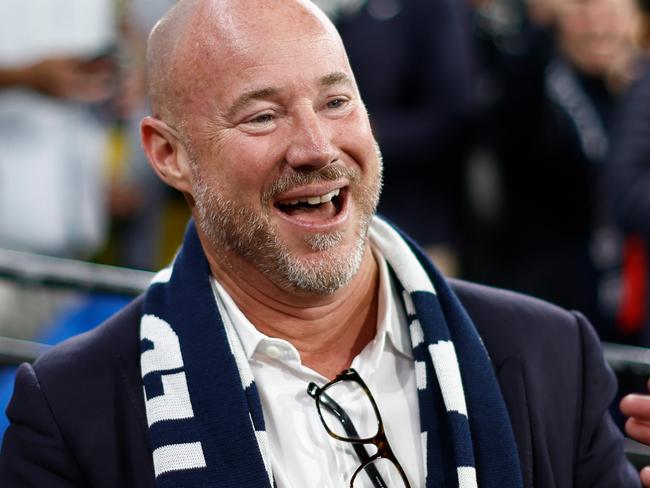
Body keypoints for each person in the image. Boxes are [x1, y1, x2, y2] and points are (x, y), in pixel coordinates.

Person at [0, 0, 641, 487]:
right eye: (262, 115)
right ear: (169, 155)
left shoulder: (552, 359)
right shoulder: (70, 411)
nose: (316, 147)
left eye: (336, 101)